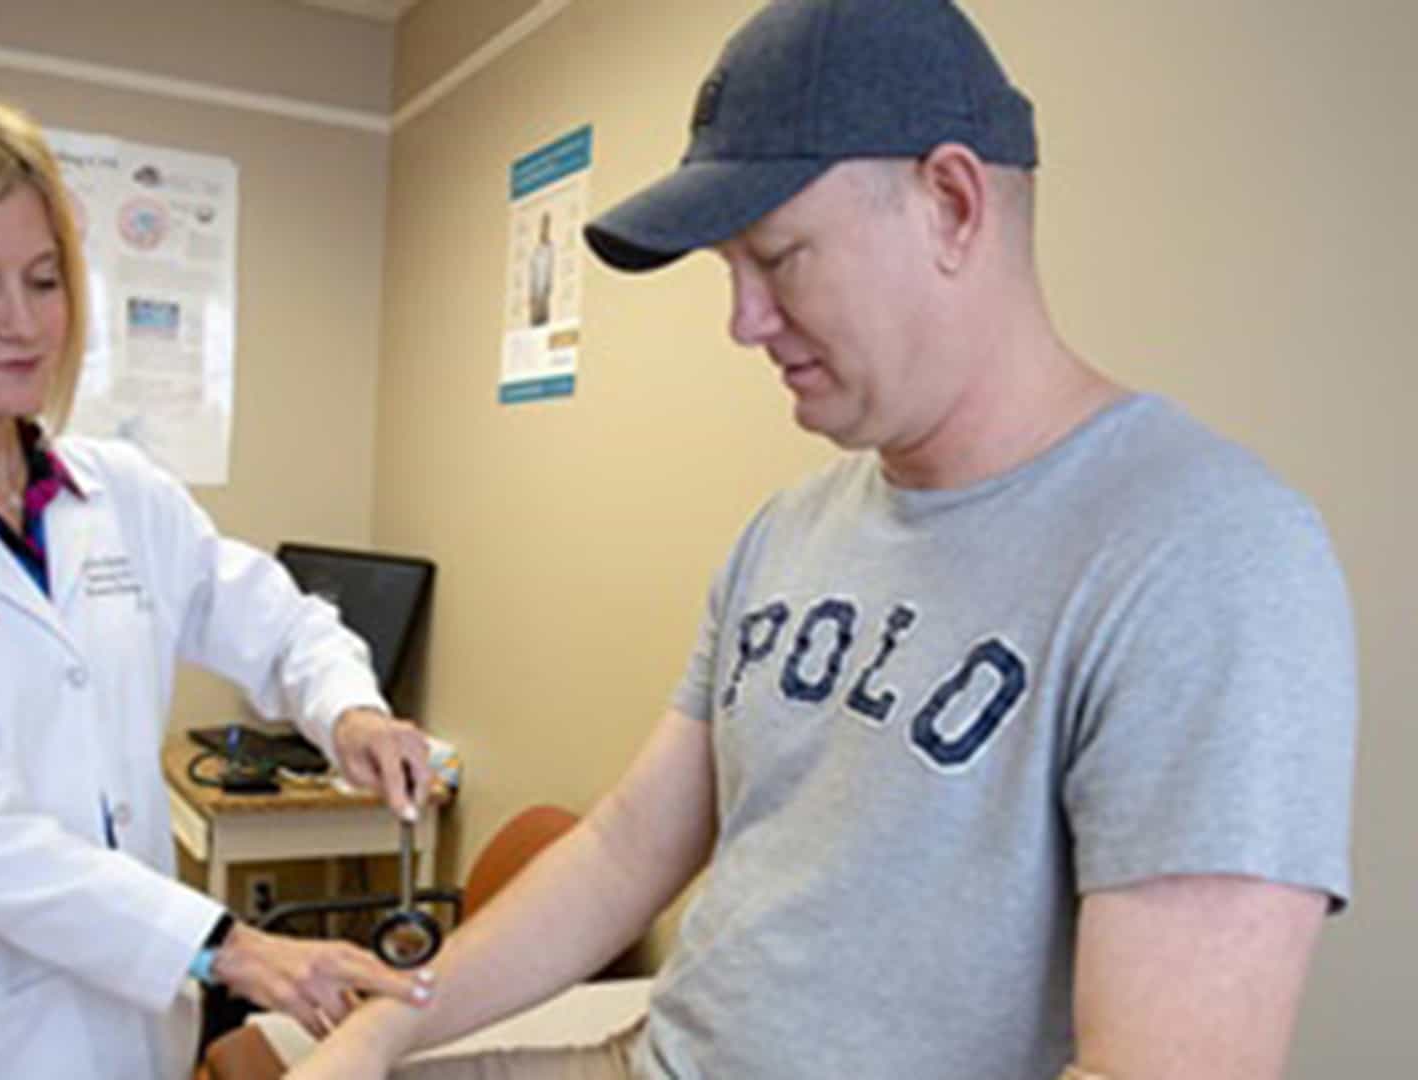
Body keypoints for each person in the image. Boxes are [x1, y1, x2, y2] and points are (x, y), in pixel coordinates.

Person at [294, 2, 1356, 1078]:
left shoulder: (1208, 554)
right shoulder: (790, 531)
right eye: (730, 271)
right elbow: (623, 851)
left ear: (950, 203)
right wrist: (393, 1022)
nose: (743, 322)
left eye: (779, 258)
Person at [0, 85, 435, 1079]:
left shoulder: (121, 493)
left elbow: (276, 621)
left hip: (120, 1016)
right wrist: (231, 945)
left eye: (45, 279)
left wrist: (351, 713)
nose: (23, 325)